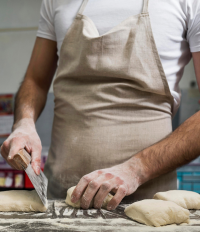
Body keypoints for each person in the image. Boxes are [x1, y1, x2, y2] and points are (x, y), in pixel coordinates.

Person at [1, 0, 200, 210]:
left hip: (147, 202)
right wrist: (24, 123)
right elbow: (35, 81)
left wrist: (136, 169)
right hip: (60, 201)